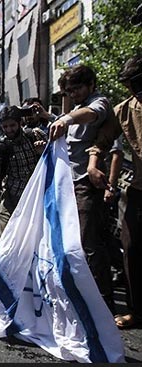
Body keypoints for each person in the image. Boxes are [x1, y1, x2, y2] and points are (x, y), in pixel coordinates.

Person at [48, 64, 115, 313]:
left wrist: (67, 118)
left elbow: (89, 114)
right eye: (69, 91)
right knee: (71, 242)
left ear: (90, 85)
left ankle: (104, 304)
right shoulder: (75, 108)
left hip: (86, 184)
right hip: (69, 183)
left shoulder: (98, 103)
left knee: (90, 244)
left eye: (76, 89)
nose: (73, 94)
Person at [85, 55, 142, 328]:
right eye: (134, 83)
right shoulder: (123, 110)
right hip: (138, 191)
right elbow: (103, 142)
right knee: (130, 250)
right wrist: (94, 164)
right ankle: (136, 310)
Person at [0, 106, 46, 232]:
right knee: (6, 236)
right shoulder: (1, 144)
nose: (9, 130)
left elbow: (53, 160)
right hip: (12, 195)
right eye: (5, 127)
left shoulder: (34, 136)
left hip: (35, 196)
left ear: (20, 123)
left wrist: (42, 152)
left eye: (12, 125)